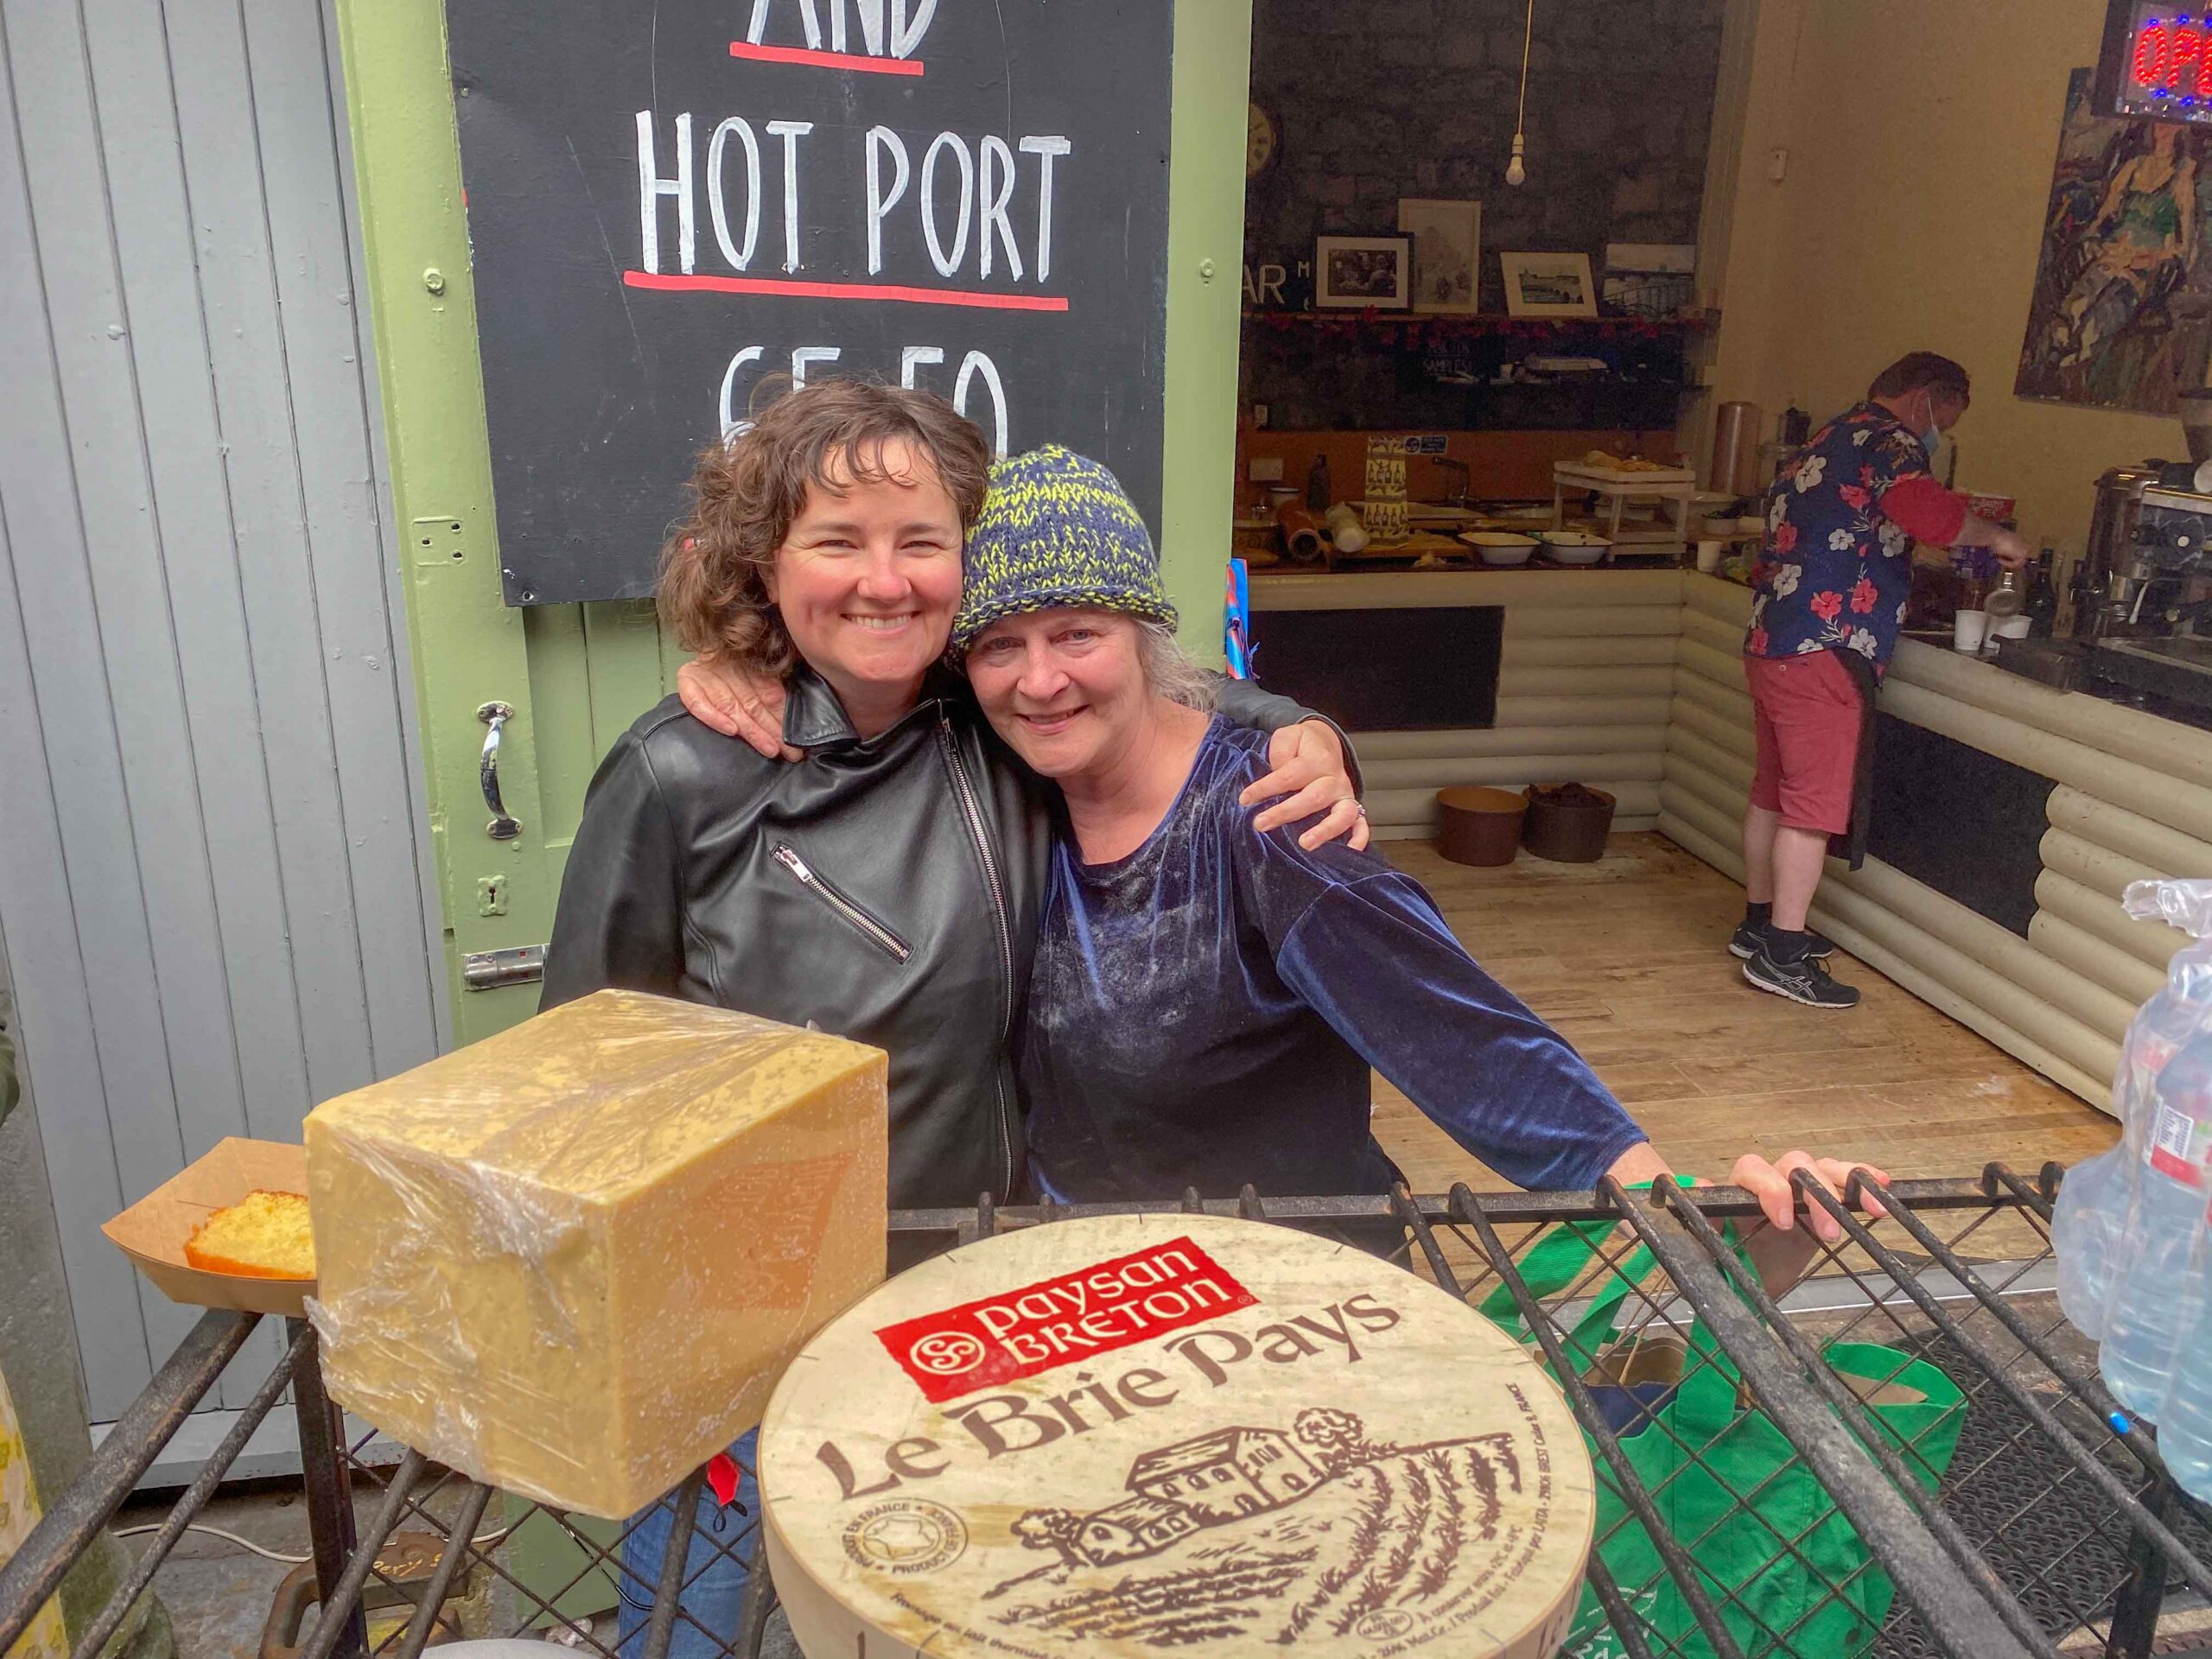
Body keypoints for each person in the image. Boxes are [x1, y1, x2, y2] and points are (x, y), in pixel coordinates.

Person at [541, 381, 1361, 1659]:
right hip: (753, 1350)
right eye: (835, 541)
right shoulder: (682, 777)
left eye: (921, 541)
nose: (884, 582)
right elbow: (583, 1086)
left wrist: (1298, 726)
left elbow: (1156, 699)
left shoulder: (997, 722)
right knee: (718, 1633)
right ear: (764, 561)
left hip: (991, 1317)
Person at [944, 444, 1885, 1273]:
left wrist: (1675, 1208)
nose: (1039, 679)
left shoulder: (1270, 818)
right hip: (1088, 1294)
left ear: (1144, 638)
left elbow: (1468, 1039)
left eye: (1077, 633)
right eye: (999, 645)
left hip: (1286, 1303)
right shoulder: (1008, 796)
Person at [1738, 353, 2031, 1010]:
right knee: (1812, 810)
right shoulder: (1891, 444)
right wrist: (2000, 539)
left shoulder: (1831, 436)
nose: (1943, 434)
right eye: (1948, 418)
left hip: (1773, 636)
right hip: (1828, 644)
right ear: (1927, 398)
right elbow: (1933, 518)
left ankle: (1758, 924)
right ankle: (1781, 955)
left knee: (1773, 793)